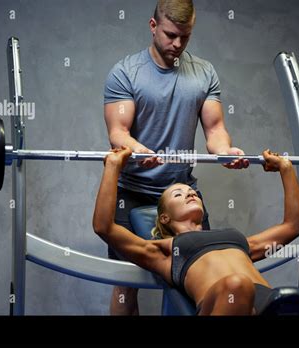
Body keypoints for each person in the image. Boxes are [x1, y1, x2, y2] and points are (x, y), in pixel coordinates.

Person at [93, 146, 299, 316]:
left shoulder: (240, 241)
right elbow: (104, 226)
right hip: (224, 303)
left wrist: (286, 170)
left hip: (272, 303)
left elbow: (294, 226)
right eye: (178, 193)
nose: (189, 192)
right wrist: (112, 166)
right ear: (163, 219)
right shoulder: (162, 250)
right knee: (237, 286)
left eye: (191, 190)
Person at [102, 0, 248, 315]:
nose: (177, 44)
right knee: (126, 282)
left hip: (181, 192)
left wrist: (224, 151)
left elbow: (215, 130)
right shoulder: (126, 73)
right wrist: (137, 149)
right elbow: (118, 132)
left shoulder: (204, 72)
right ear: (153, 26)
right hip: (132, 193)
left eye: (185, 36)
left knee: (204, 272)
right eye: (170, 35)